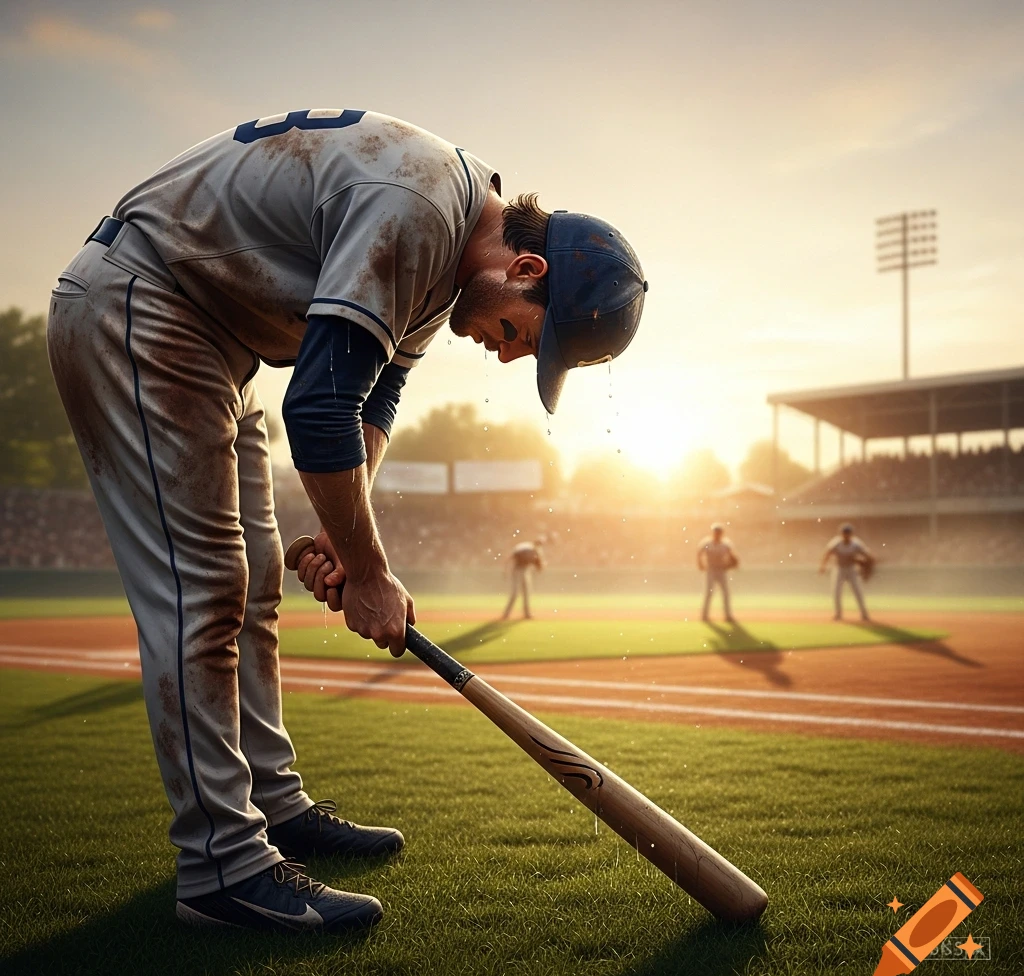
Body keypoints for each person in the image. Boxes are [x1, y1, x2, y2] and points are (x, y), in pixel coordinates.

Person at [47, 108, 646, 934]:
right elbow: (321, 404)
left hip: (210, 333)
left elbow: (375, 394)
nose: (507, 357)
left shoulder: (449, 253)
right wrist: (367, 573)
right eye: (521, 336)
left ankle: (269, 804)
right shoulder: (423, 210)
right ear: (527, 265)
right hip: (141, 302)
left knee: (254, 581)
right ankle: (222, 866)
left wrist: (342, 531)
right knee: (207, 589)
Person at [819, 522, 874, 621]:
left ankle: (864, 614)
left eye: (848, 533)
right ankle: (838, 614)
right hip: (839, 568)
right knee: (836, 591)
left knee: (858, 591)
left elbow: (867, 554)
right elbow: (827, 553)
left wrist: (867, 561)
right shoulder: (836, 543)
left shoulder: (856, 543)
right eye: (845, 532)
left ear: (851, 534)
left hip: (852, 569)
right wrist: (823, 566)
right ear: (841, 534)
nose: (846, 535)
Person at [697, 523, 738, 622]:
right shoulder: (707, 543)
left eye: (719, 532)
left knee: (725, 593)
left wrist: (731, 564)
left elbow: (733, 557)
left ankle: (728, 615)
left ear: (721, 534)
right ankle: (705, 615)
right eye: (715, 532)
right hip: (711, 569)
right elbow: (699, 552)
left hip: (721, 570)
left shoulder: (725, 544)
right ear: (713, 533)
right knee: (709, 592)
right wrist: (700, 563)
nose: (717, 534)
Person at [502, 538, 545, 619]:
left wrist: (541, 566)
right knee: (515, 593)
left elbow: (539, 565)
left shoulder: (536, 552)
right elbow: (509, 558)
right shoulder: (524, 548)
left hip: (526, 570)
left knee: (527, 592)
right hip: (517, 570)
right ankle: (506, 614)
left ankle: (527, 614)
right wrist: (505, 569)